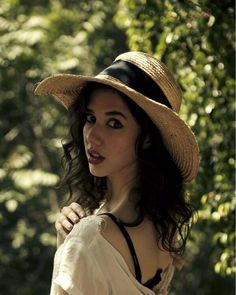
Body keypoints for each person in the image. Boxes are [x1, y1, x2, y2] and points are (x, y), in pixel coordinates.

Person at [34, 51, 199, 295]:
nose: (92, 135)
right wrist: (67, 245)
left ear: (147, 140)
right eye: (90, 118)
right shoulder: (162, 225)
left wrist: (69, 249)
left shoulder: (91, 237)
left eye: (114, 123)